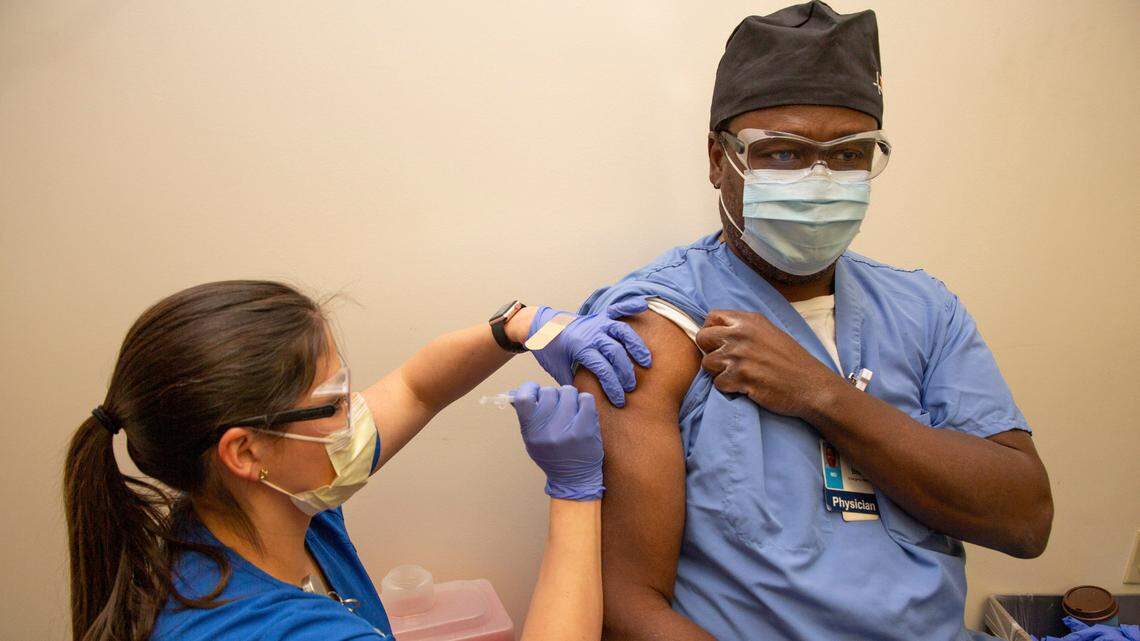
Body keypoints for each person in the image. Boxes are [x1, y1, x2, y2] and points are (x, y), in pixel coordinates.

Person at [564, 3, 1055, 640]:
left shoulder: (924, 310)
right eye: (784, 154)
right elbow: (627, 606)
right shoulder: (654, 324)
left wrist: (823, 396)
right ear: (720, 160)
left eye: (850, 155)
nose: (820, 180)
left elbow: (1025, 519)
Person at [64, 280, 651, 641]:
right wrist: (575, 491)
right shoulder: (262, 629)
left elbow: (417, 388)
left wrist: (519, 327)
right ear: (245, 451)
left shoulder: (268, 510)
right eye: (333, 403)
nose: (357, 412)